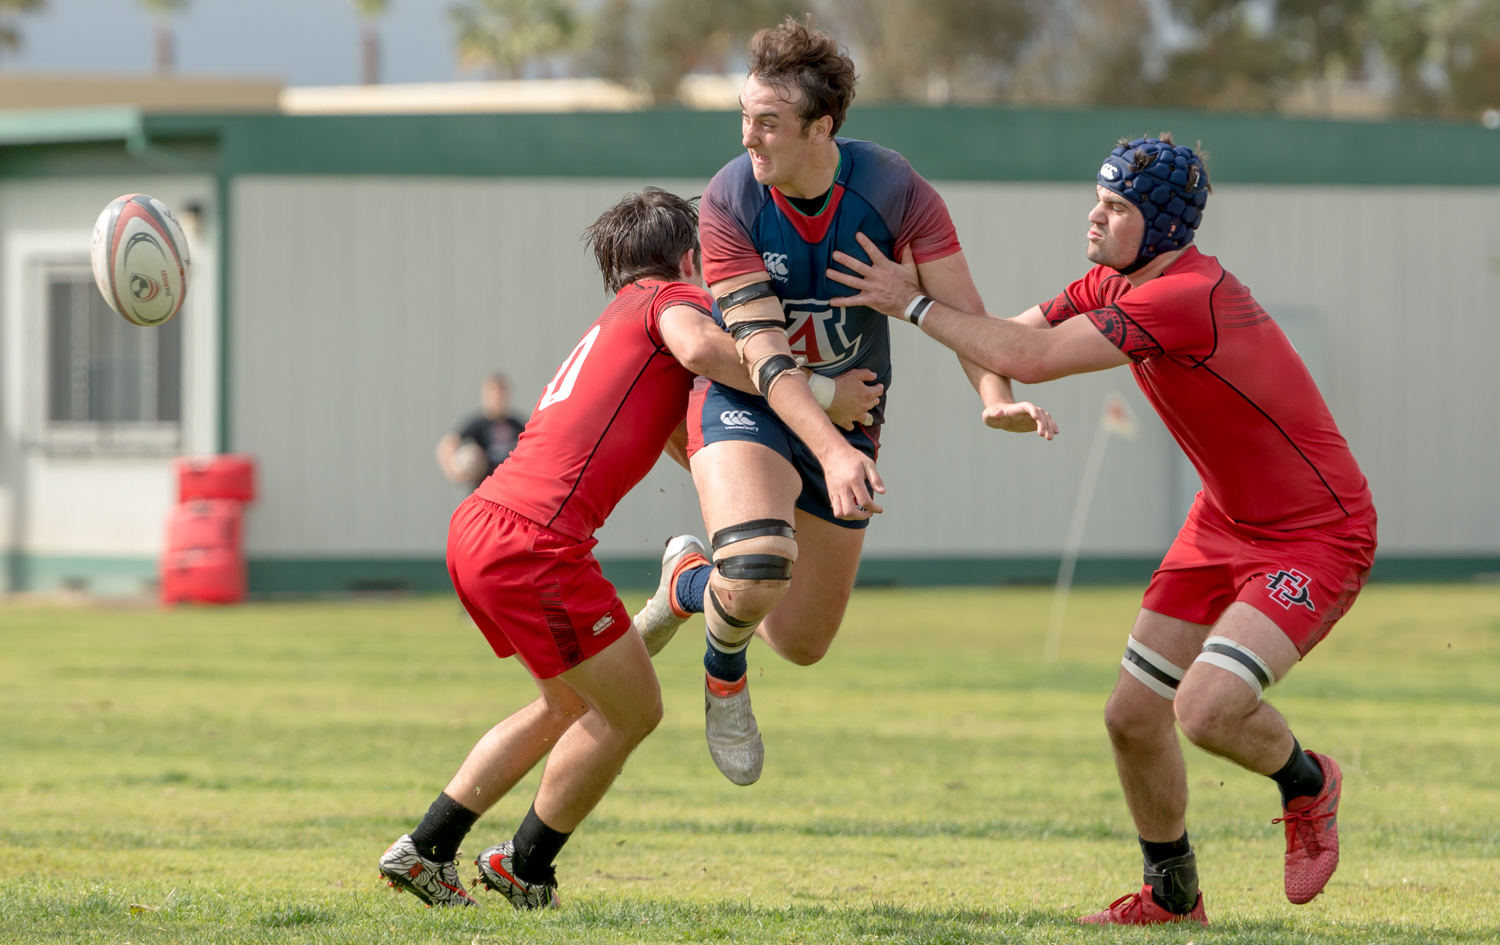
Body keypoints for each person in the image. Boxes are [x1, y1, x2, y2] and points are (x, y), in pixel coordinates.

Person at [825, 134, 1377, 924]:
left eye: (1115, 209)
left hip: (1317, 535)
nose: (1095, 216)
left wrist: (910, 301)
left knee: (1206, 708)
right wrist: (992, 396)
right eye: (1099, 197)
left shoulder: (1180, 296)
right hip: (1222, 520)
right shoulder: (1112, 282)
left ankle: (1309, 783)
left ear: (1160, 228)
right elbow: (998, 338)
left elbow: (1030, 353)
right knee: (1130, 715)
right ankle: (1173, 894)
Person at [377, 187, 881, 909]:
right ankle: (524, 865)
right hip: (534, 544)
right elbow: (707, 347)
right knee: (632, 710)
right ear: (688, 257)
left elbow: (685, 443)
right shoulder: (670, 298)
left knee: (563, 704)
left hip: (486, 526)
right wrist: (825, 397)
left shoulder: (620, 316)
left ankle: (427, 847)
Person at [631, 17, 1057, 787]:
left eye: (768, 123)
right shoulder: (731, 197)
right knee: (758, 563)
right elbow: (760, 353)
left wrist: (996, 395)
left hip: (854, 416)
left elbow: (966, 310)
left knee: (800, 641)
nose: (748, 138)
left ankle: (686, 583)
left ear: (821, 126)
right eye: (744, 117)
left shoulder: (894, 189)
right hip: (751, 399)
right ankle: (724, 675)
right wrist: (826, 437)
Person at [436, 375, 527, 491]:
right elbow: (448, 444)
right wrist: (453, 471)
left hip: (509, 489)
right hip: (483, 490)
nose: (497, 397)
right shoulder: (477, 424)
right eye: (492, 392)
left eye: (500, 392)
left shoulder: (517, 425)